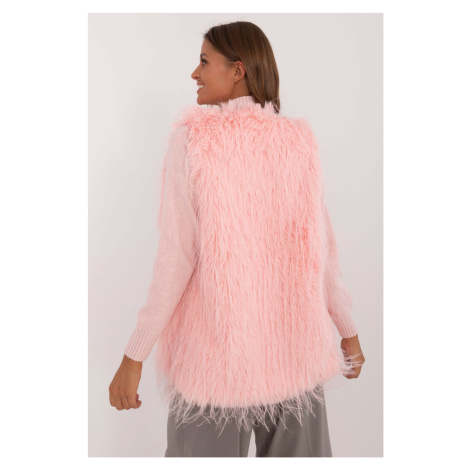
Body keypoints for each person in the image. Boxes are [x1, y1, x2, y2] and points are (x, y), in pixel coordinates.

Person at [109, 20, 365, 457]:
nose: (194, 73)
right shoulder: (298, 141)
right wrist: (348, 330)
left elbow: (176, 258)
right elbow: (322, 248)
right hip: (294, 357)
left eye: (204, 61)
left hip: (213, 365)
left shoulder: (193, 142)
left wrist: (134, 356)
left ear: (237, 70)